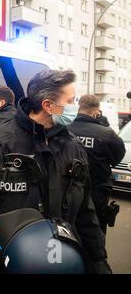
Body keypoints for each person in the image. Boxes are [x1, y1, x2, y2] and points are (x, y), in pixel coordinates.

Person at [0, 70, 112, 274]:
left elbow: (86, 213)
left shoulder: (73, 147)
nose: (75, 107)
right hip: (3, 264)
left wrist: (99, 261)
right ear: (48, 105)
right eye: (70, 101)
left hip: (63, 262)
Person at [68, 94, 125, 234]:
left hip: (67, 188)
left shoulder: (64, 128)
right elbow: (117, 158)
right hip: (97, 191)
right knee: (95, 229)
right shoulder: (107, 133)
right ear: (96, 110)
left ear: (79, 106)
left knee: (69, 227)